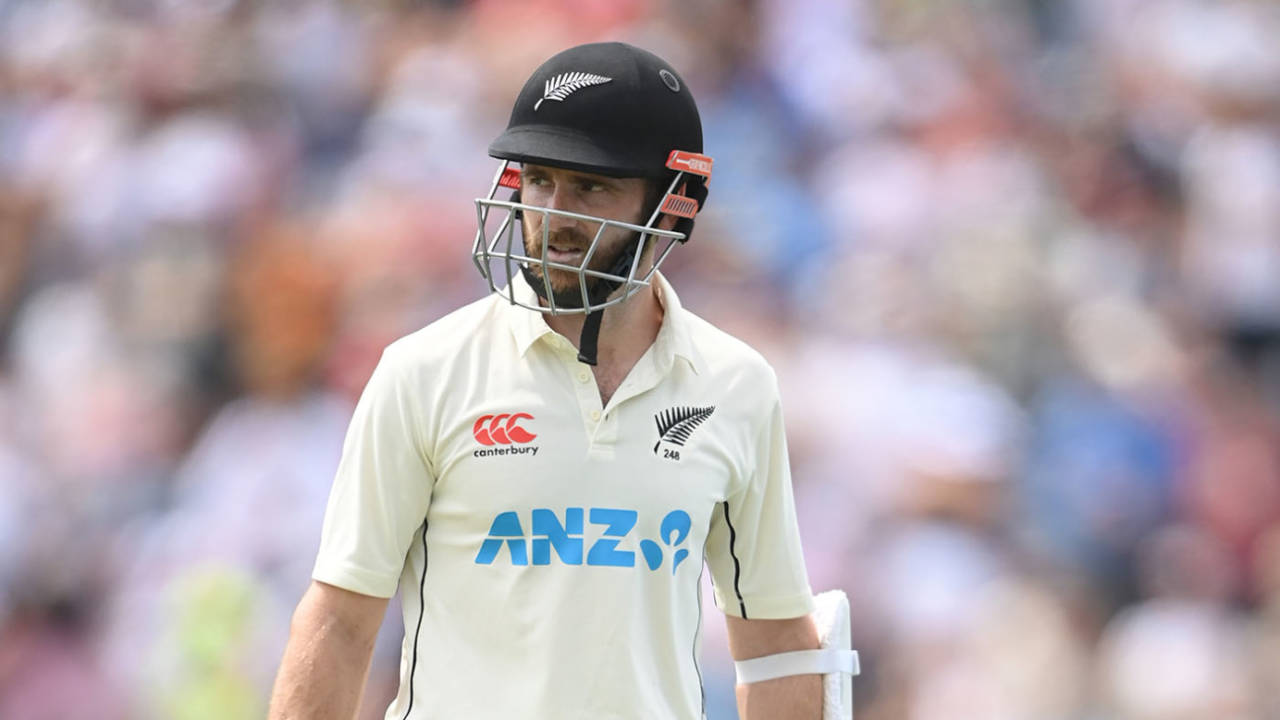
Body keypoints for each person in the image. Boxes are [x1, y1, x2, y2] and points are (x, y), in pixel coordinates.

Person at [269, 42, 825, 720]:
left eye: (592, 186)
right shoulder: (426, 371)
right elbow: (339, 621)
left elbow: (774, 641)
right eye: (538, 179)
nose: (554, 217)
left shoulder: (736, 387)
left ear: (674, 203)